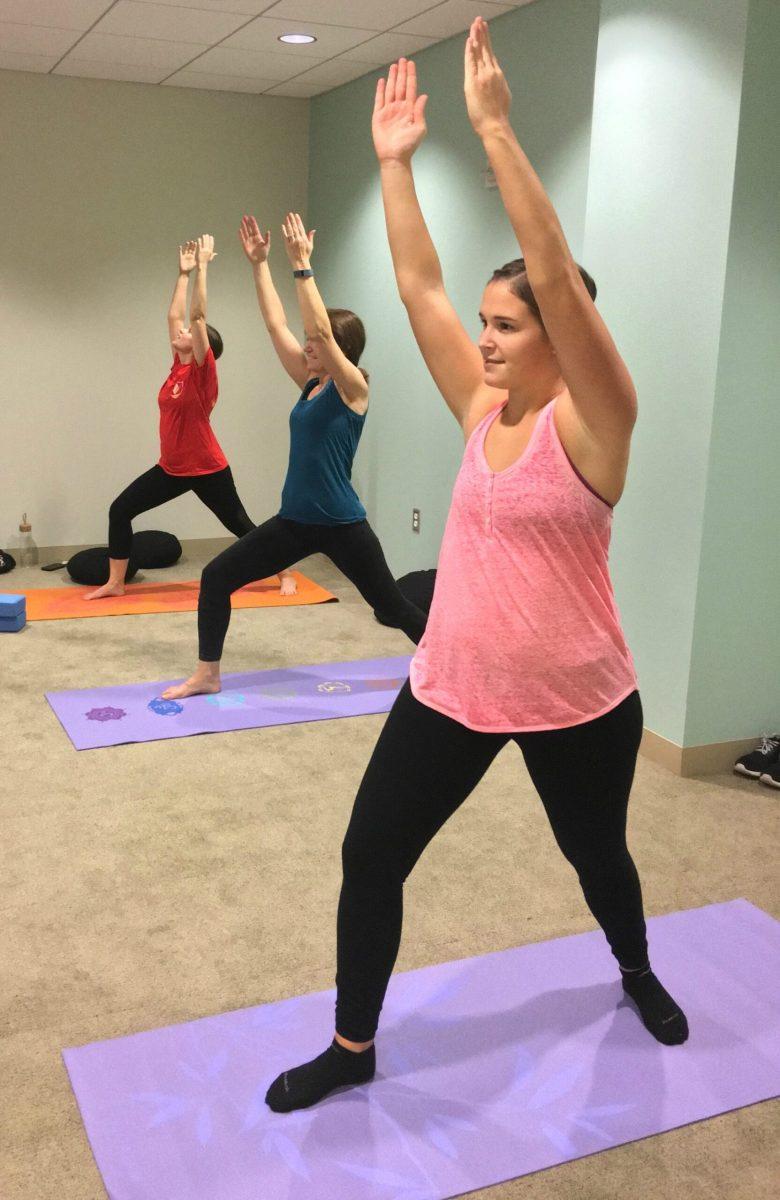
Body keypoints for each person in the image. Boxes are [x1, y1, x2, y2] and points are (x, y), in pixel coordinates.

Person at [265, 21, 688, 1115]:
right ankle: (353, 1046)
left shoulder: (599, 424)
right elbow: (418, 290)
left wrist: (495, 133)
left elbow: (550, 267)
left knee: (597, 857)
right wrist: (395, 166)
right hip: (454, 683)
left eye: (509, 326)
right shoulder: (482, 405)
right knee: (371, 854)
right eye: (489, 324)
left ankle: (636, 969)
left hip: (579, 694)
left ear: (561, 333)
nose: (487, 340)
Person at [161, 213, 426, 699]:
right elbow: (275, 322)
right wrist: (260, 265)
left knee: (390, 608)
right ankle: (207, 674)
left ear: (340, 350)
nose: (306, 345)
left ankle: (451, 665)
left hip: (343, 525)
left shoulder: (353, 388)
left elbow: (320, 331)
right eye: (306, 343)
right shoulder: (309, 384)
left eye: (315, 342)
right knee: (217, 576)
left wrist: (303, 269)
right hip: (295, 521)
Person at [85, 235, 294, 600]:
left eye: (188, 334)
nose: (179, 332)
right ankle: (116, 583)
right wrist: (182, 273)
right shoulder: (177, 369)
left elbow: (195, 317)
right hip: (172, 468)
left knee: (241, 525)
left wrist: (203, 268)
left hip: (207, 468)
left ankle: (285, 571)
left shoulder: (201, 372)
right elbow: (174, 315)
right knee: (120, 510)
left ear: (202, 347)